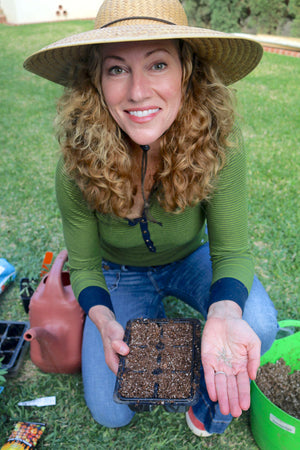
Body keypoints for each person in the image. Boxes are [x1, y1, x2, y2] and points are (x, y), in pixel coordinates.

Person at [24, 0, 278, 437]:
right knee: (112, 410)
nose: (138, 91)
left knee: (256, 322)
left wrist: (224, 311)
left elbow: (232, 251)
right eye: (117, 69)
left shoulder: (221, 147)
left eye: (158, 64)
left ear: (187, 71)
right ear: (96, 82)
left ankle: (204, 394)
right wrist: (102, 320)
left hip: (189, 259)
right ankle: (145, 317)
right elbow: (84, 266)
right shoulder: (75, 165)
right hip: (118, 274)